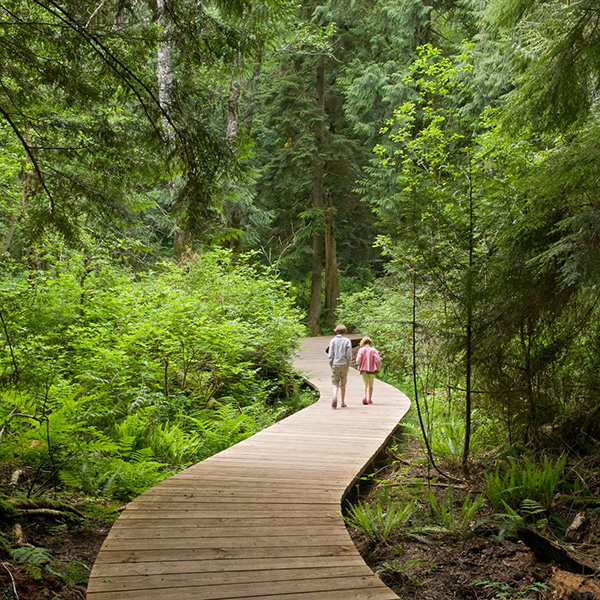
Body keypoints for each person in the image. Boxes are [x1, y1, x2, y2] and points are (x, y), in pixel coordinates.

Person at [328, 324, 352, 409]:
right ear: (345, 331)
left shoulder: (332, 341)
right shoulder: (347, 341)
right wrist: (349, 363)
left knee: (335, 382)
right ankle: (342, 402)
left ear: (336, 331)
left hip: (335, 363)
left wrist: (331, 363)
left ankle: (335, 396)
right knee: (343, 382)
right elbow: (349, 354)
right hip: (344, 364)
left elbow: (330, 354)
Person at [356, 336, 381, 405]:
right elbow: (378, 360)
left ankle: (364, 397)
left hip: (363, 369)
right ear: (370, 343)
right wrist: (378, 367)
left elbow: (358, 360)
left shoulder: (361, 350)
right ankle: (370, 399)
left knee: (365, 383)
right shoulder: (373, 350)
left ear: (363, 343)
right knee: (371, 384)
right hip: (372, 369)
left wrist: (358, 364)